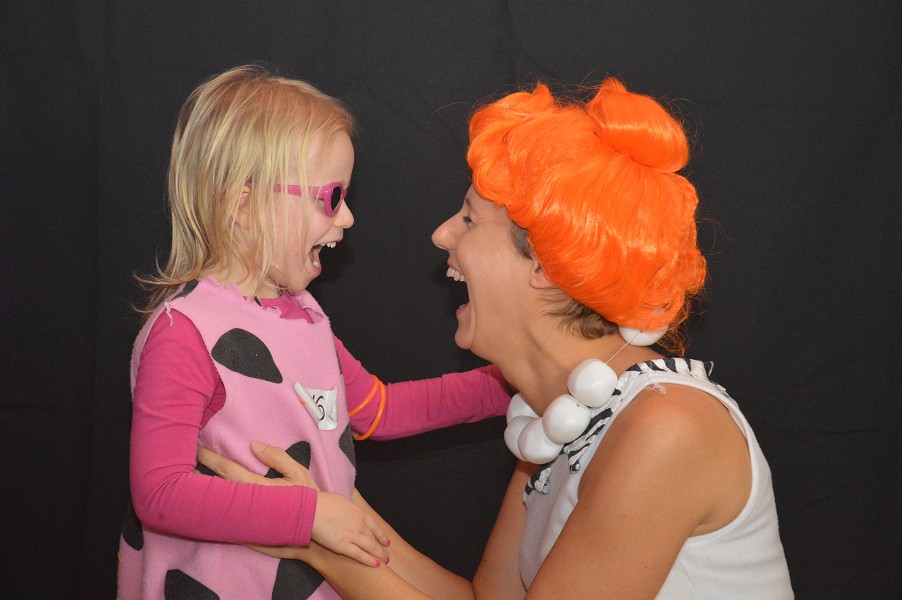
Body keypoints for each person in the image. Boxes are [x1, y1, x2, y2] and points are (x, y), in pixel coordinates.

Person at [201, 77, 794, 598]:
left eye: (468, 219)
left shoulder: (667, 428)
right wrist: (328, 503)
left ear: (544, 265)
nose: (441, 235)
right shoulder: (553, 420)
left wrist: (311, 541)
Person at [118, 65, 511, 600]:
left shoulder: (303, 319)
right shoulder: (184, 331)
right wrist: (309, 515)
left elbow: (379, 410)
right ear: (243, 204)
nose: (346, 218)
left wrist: (506, 386)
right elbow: (160, 493)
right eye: (331, 197)